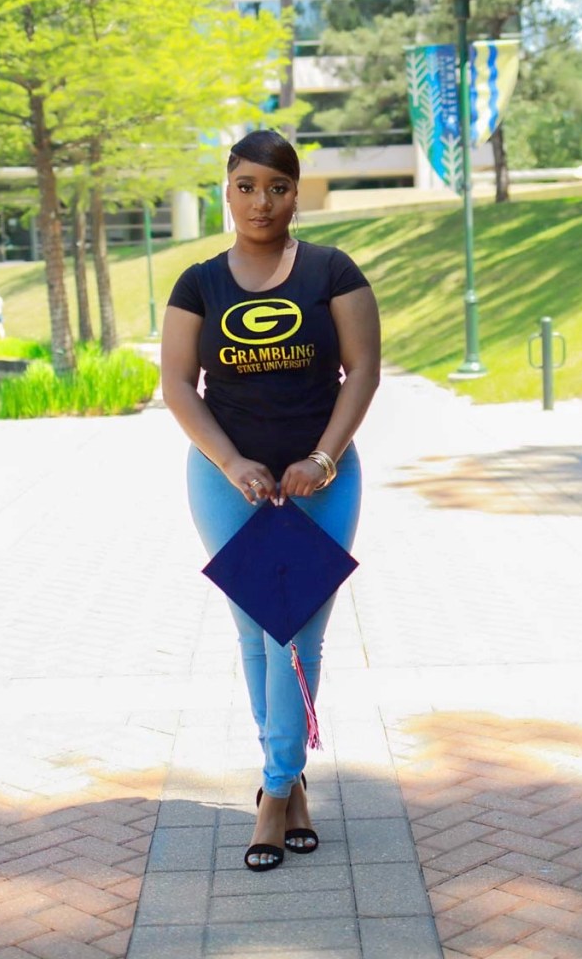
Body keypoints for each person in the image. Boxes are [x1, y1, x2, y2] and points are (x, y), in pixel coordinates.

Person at [161, 129, 381, 872]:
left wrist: (324, 458)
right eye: (247, 186)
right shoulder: (198, 283)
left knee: (296, 636)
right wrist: (229, 462)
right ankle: (287, 786)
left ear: (295, 194)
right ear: (226, 192)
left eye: (277, 187)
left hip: (322, 482)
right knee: (254, 633)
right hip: (225, 483)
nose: (261, 202)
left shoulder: (331, 271)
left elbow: (362, 372)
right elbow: (177, 386)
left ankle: (274, 791)